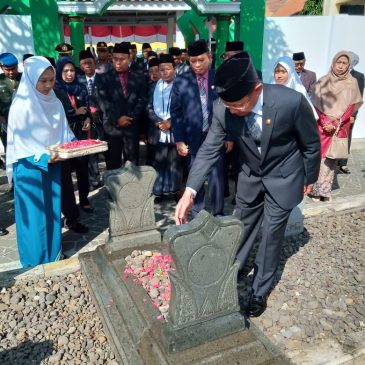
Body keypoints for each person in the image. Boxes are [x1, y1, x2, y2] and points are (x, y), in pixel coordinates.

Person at [175, 52, 321, 317]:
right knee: (240, 225)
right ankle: (236, 268)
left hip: (284, 175)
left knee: (270, 235)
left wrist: (309, 177)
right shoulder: (223, 108)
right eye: (228, 106)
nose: (233, 112)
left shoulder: (290, 103)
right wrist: (189, 191)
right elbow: (209, 149)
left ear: (257, 89)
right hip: (251, 176)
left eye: (239, 106)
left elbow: (311, 144)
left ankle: (258, 290)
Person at [6, 56, 75, 267]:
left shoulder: (55, 102)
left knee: (52, 212)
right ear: (30, 78)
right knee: (34, 219)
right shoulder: (22, 106)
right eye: (42, 80)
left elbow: (65, 134)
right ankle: (34, 263)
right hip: (29, 169)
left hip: (53, 165)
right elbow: (21, 142)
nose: (47, 85)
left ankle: (53, 255)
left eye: (51, 80)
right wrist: (45, 156)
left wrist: (71, 148)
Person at [171, 39, 227, 218]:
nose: (197, 65)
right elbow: (176, 112)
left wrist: (230, 136)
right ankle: (199, 214)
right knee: (195, 175)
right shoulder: (181, 81)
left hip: (216, 136)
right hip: (192, 137)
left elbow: (229, 108)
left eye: (201, 60)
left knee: (217, 176)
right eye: (193, 61)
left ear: (209, 57)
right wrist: (179, 139)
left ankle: (218, 213)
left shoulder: (219, 77)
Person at [310, 51, 362, 202]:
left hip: (339, 127)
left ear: (348, 65)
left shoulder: (352, 83)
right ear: (333, 63)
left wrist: (336, 123)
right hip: (322, 125)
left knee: (331, 159)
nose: (340, 66)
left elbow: (351, 106)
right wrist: (326, 121)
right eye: (338, 62)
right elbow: (316, 103)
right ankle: (315, 190)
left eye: (344, 63)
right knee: (320, 158)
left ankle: (325, 191)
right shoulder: (323, 81)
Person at [98, 42, 147, 169]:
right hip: (112, 128)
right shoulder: (103, 78)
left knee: (131, 164)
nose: (118, 62)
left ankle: (131, 189)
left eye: (122, 59)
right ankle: (113, 189)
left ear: (129, 58)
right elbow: (103, 102)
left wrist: (130, 118)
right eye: (115, 59)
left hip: (131, 127)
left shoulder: (139, 77)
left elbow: (142, 101)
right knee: (113, 163)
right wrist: (117, 119)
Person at [56, 57, 93, 213]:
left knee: (82, 167)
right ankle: (67, 206)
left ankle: (84, 199)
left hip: (80, 132)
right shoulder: (55, 90)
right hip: (63, 133)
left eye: (72, 70)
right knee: (65, 171)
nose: (69, 74)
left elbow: (88, 107)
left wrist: (88, 119)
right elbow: (56, 113)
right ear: (60, 72)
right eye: (65, 71)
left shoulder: (81, 87)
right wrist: (74, 112)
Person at [147, 54, 182, 202]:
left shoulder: (181, 85)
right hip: (158, 130)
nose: (164, 72)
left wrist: (171, 122)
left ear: (174, 69)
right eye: (161, 70)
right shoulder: (154, 86)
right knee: (159, 161)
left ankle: (174, 191)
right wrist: (158, 122)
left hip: (175, 130)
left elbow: (185, 108)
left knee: (174, 162)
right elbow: (148, 107)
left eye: (168, 68)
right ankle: (158, 192)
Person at [78, 49, 104, 191]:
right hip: (86, 121)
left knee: (107, 150)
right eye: (84, 63)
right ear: (81, 66)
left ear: (95, 63)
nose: (88, 65)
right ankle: (94, 179)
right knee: (90, 152)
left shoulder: (103, 79)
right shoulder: (78, 80)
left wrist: (98, 112)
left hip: (102, 121)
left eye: (90, 62)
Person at [338, 51, 364, 174]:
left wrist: (354, 114)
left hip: (349, 111)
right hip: (336, 110)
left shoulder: (359, 76)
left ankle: (343, 163)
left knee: (346, 136)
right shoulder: (338, 72)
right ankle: (331, 159)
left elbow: (358, 97)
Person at [0, 53, 22, 151]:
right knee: (9, 147)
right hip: (5, 120)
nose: (11, 72)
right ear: (1, 68)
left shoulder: (24, 78)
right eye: (7, 70)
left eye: (14, 68)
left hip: (23, 120)